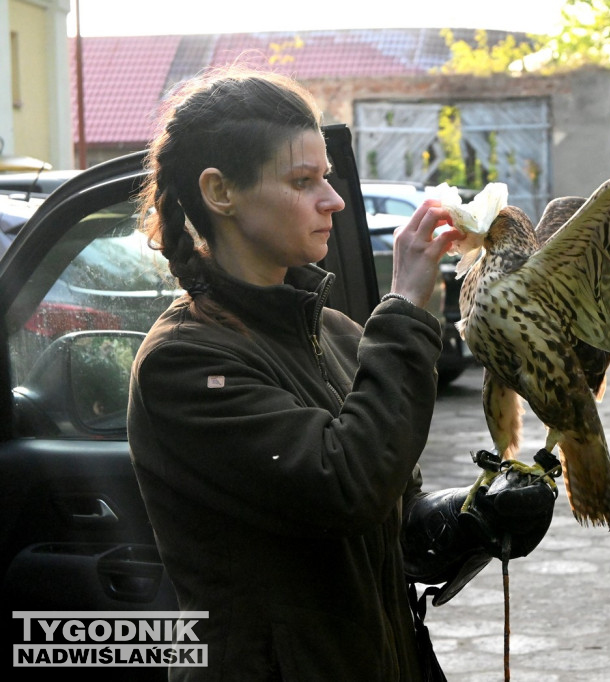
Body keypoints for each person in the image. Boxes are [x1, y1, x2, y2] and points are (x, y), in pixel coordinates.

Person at [126, 68, 556, 681]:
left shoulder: (338, 333)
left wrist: (472, 517)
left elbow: (395, 517)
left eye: (327, 176)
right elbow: (346, 486)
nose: (334, 200)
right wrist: (407, 305)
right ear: (220, 191)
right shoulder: (185, 362)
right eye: (303, 181)